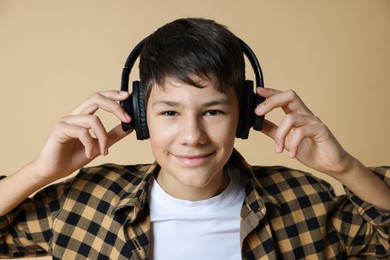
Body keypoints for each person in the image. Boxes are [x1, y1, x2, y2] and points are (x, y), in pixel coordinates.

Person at [0, 18, 389, 260]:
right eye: (169, 112)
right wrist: (39, 172)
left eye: (213, 112)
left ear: (246, 114)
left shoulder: (308, 204)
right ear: (139, 115)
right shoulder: (82, 203)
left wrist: (345, 168)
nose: (192, 136)